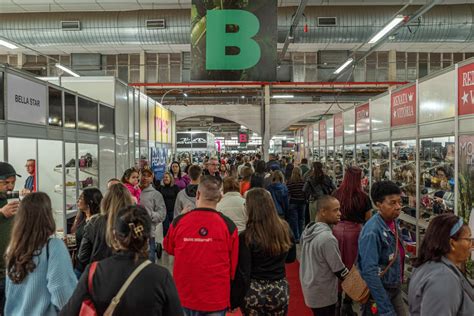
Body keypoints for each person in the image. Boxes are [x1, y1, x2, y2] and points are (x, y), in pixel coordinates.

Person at [60, 205, 183, 316]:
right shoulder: (161, 277)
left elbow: (68, 312)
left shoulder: (94, 272)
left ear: (114, 235)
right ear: (147, 239)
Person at [164, 176, 238, 316]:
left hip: (183, 296)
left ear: (197, 194)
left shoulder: (180, 221)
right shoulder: (228, 226)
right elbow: (233, 268)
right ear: (220, 197)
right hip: (215, 297)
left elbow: (168, 247)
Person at [5, 192, 77, 315]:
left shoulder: (13, 248)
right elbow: (62, 294)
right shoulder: (54, 246)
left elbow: (10, 292)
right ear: (47, 215)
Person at [232, 188, 296, 314]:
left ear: (251, 208)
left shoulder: (246, 236)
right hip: (278, 287)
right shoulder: (285, 228)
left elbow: (244, 271)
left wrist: (234, 297)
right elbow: (291, 258)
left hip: (254, 290)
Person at [408, 213, 474, 315]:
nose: (472, 245)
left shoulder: (429, 266)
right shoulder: (443, 278)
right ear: (452, 244)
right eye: (468, 239)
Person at [358, 181, 407, 316]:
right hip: (379, 292)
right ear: (379, 204)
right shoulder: (372, 231)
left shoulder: (393, 222)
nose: (398, 207)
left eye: (399, 202)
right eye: (392, 203)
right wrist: (385, 308)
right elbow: (369, 271)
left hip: (394, 287)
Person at [332, 166, 372, 314]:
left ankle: (336, 300)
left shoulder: (336, 193)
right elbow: (368, 218)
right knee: (352, 267)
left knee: (336, 264)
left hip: (336, 230)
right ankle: (347, 303)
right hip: (355, 232)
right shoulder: (363, 197)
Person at [300, 195, 349, 316]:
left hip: (311, 288)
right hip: (324, 294)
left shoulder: (308, 231)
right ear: (323, 211)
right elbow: (339, 269)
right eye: (335, 210)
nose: (339, 213)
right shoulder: (327, 238)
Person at [76, 183, 134, 272]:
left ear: (106, 201)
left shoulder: (94, 222)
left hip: (99, 273)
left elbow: (83, 256)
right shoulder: (134, 221)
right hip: (127, 273)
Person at [0, 162, 21, 311]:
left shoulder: (8, 200)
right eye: (6, 183)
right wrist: (1, 213)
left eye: (13, 182)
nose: (10, 187)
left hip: (9, 271)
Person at [71, 188, 103, 273]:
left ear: (90, 201)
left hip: (88, 267)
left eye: (81, 198)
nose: (78, 200)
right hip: (80, 264)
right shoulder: (81, 218)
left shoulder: (97, 221)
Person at [139, 167, 166, 262]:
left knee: (149, 262)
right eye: (143, 175)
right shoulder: (132, 192)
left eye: (148, 176)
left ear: (152, 178)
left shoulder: (156, 194)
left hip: (149, 232)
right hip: (133, 234)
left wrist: (149, 215)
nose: (145, 178)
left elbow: (162, 214)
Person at [287, 166, 306, 241]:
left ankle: (296, 237)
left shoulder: (290, 182)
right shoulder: (303, 182)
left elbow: (288, 192)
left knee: (294, 220)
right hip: (302, 202)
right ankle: (301, 236)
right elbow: (305, 192)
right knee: (301, 220)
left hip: (293, 202)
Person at [159, 171, 180, 238]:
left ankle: (173, 242)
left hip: (173, 210)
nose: (165, 179)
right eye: (164, 177)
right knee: (165, 228)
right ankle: (166, 243)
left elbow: (179, 198)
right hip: (164, 211)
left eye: (167, 177)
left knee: (174, 228)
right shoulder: (160, 188)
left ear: (170, 178)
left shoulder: (175, 187)